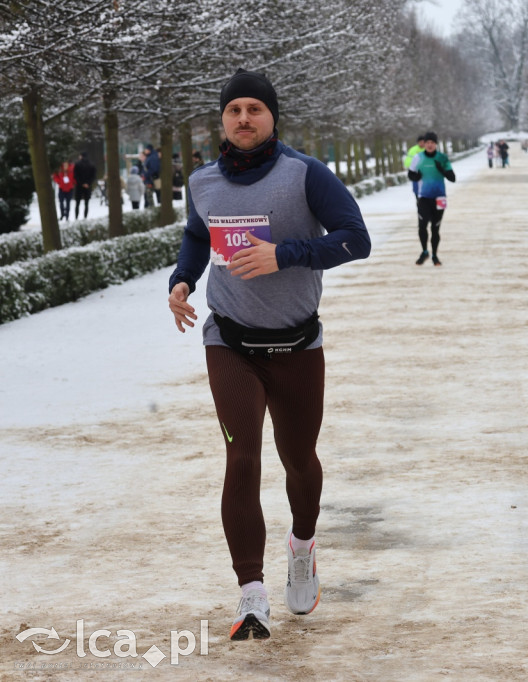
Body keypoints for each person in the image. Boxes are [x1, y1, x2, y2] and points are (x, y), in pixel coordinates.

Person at [166, 68, 371, 642]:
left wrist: (286, 255)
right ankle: (251, 595)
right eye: (234, 110)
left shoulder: (304, 174)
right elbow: (197, 235)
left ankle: (302, 545)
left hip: (298, 343)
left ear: (272, 117)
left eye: (255, 109)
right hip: (230, 341)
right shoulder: (204, 180)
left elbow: (357, 238)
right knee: (242, 459)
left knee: (299, 457)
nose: (244, 119)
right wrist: (182, 280)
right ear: (222, 119)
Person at [407, 130, 455, 266]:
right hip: (424, 197)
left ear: (436, 144)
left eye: (432, 142)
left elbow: (453, 178)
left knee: (435, 228)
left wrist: (442, 170)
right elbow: (411, 175)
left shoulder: (442, 158)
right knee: (422, 226)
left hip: (440, 198)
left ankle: (434, 255)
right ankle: (424, 251)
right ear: (424, 144)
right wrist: (416, 177)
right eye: (427, 142)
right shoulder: (418, 158)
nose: (429, 145)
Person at [72, 151, 96, 219]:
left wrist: (81, 183)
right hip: (88, 187)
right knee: (86, 203)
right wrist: (88, 183)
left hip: (79, 186)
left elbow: (75, 175)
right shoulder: (91, 164)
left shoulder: (77, 164)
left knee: (77, 203)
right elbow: (93, 176)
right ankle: (85, 217)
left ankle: (76, 217)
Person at [403, 134, 426, 202]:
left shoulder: (428, 149)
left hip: (427, 173)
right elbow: (408, 161)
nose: (422, 143)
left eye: (423, 141)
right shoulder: (413, 150)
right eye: (420, 142)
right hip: (416, 173)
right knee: (416, 189)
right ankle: (418, 201)